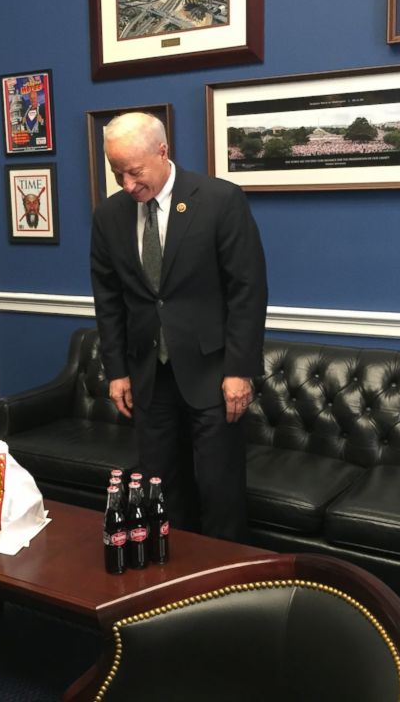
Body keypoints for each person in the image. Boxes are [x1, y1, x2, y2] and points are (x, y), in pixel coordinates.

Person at [90, 112, 268, 543]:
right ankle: (171, 585)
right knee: (160, 487)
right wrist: (116, 371)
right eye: (117, 173)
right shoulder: (109, 216)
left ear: (163, 152)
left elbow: (248, 289)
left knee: (218, 488)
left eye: (135, 172)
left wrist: (239, 370)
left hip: (213, 373)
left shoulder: (219, 200)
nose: (127, 184)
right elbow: (109, 299)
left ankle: (227, 588)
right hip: (150, 376)